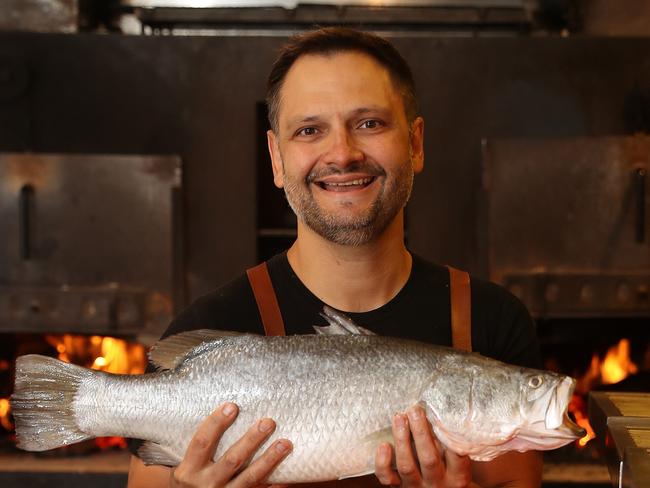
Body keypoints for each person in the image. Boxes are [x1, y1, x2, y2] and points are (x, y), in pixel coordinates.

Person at [127, 27, 543, 488]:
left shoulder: (492, 321)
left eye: (370, 123)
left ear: (416, 143)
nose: (342, 154)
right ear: (277, 160)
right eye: (309, 130)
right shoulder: (209, 325)